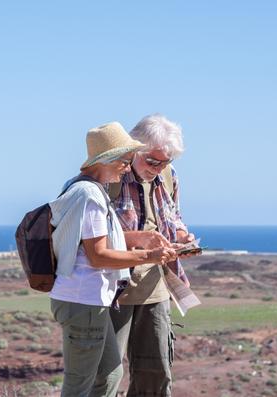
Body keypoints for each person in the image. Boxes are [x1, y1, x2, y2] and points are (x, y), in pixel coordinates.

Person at [49, 121, 177, 397]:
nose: (127, 166)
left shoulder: (80, 189)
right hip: (84, 300)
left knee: (107, 374)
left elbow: (97, 244)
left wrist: (143, 242)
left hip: (86, 300)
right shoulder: (91, 195)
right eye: (124, 160)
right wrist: (149, 255)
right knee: (82, 382)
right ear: (107, 159)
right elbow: (98, 255)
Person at [109, 114, 195, 397]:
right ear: (135, 149)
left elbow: (173, 218)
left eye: (166, 162)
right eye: (152, 161)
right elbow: (92, 238)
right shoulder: (111, 175)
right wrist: (140, 241)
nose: (158, 168)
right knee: (106, 374)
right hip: (113, 290)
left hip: (155, 288)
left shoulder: (168, 176)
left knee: (156, 374)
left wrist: (183, 237)